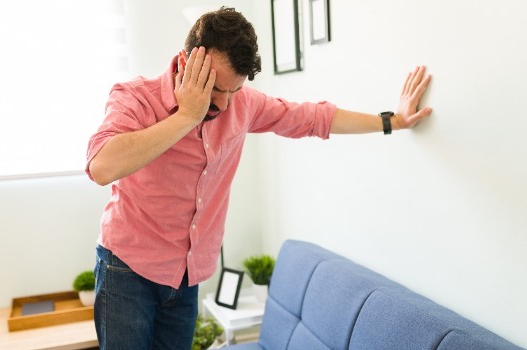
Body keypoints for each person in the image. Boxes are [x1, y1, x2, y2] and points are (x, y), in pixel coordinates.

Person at [86, 6, 432, 350]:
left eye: (232, 91)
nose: (222, 104)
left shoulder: (243, 105)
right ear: (186, 61)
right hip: (127, 269)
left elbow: (313, 118)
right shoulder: (135, 97)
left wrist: (393, 122)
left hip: (186, 276)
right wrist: (187, 116)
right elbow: (102, 166)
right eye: (213, 89)